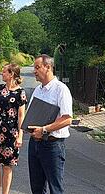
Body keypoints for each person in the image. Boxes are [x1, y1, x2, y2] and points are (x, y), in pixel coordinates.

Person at [27, 54, 72, 194]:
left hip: (53, 145)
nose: (34, 71)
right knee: (37, 187)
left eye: (37, 67)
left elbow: (67, 118)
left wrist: (45, 129)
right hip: (35, 143)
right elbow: (31, 115)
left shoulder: (61, 89)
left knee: (55, 188)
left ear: (48, 67)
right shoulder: (37, 90)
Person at [0, 64, 27, 194]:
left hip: (11, 132)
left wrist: (20, 135)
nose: (2, 74)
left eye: (4, 72)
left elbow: (21, 116)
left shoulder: (21, 93)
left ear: (12, 74)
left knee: (8, 166)